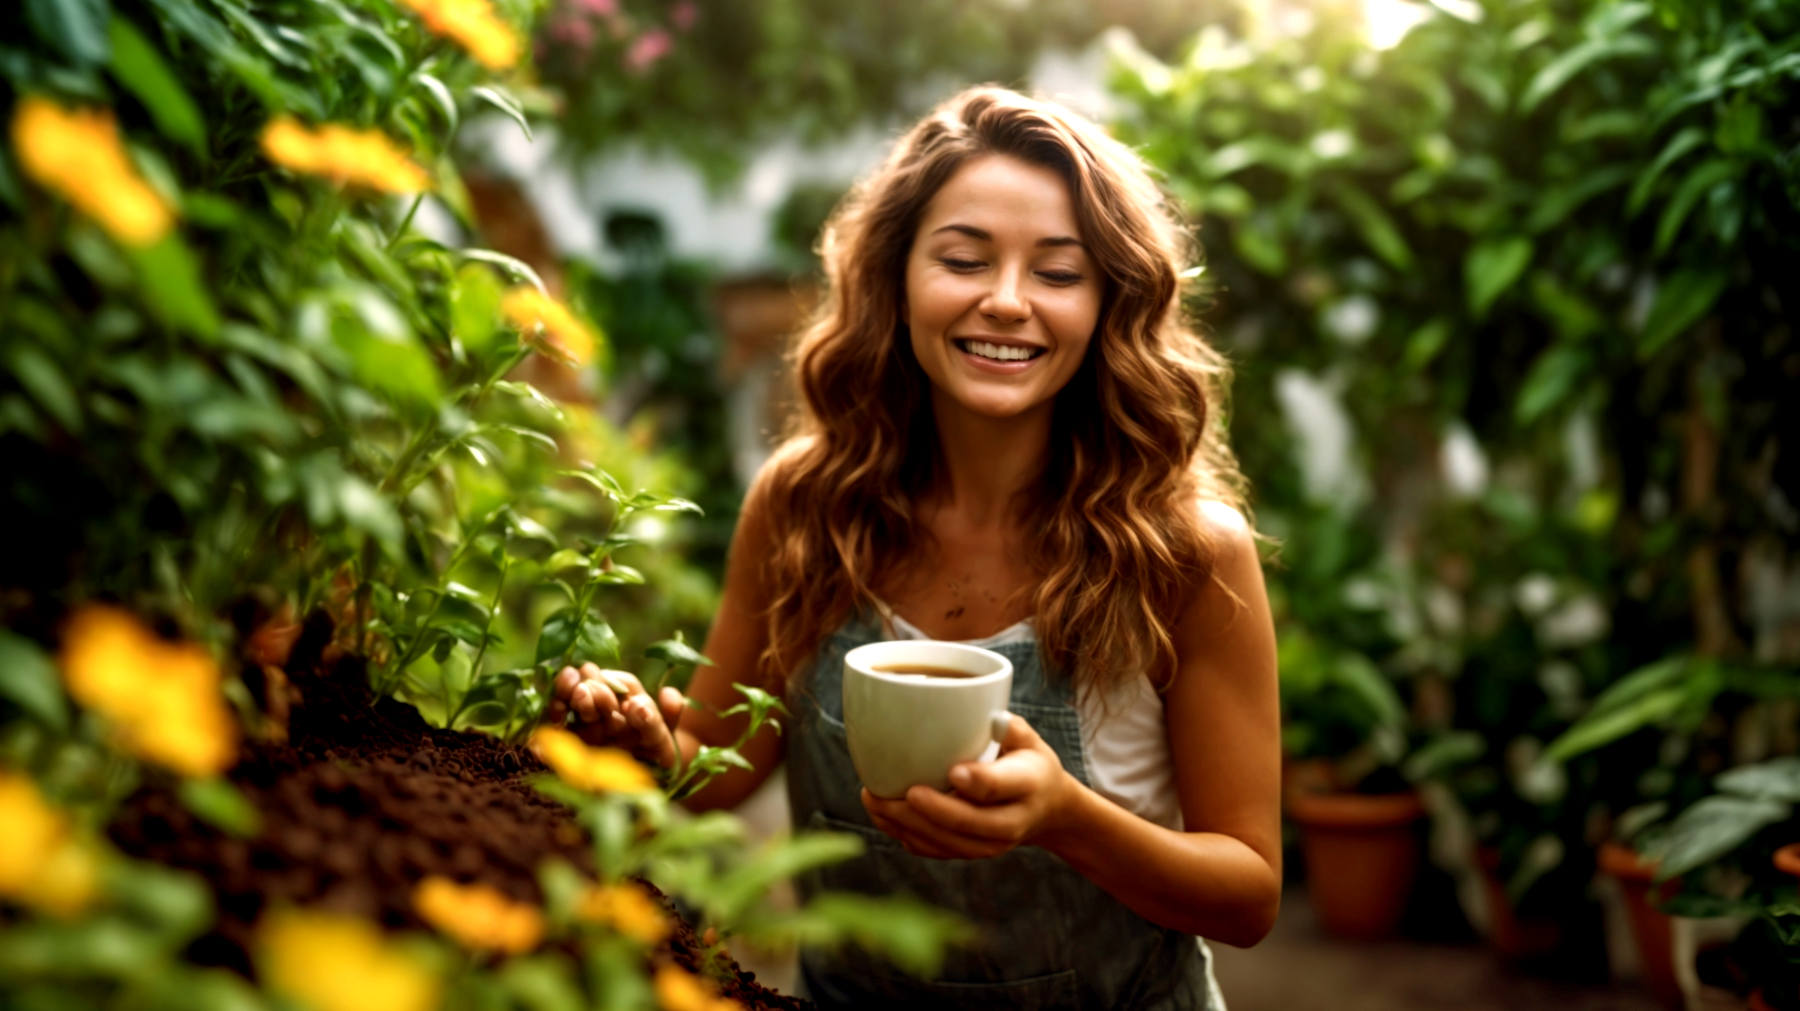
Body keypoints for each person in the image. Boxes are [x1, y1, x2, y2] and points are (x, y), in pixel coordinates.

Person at [547, 86, 1281, 1010]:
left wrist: (1065, 818)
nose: (1007, 302)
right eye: (965, 259)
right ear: (896, 279)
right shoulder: (807, 506)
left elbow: (1248, 891)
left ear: (1109, 302)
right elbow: (710, 771)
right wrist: (644, 748)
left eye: (1058, 273)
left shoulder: (1183, 550)